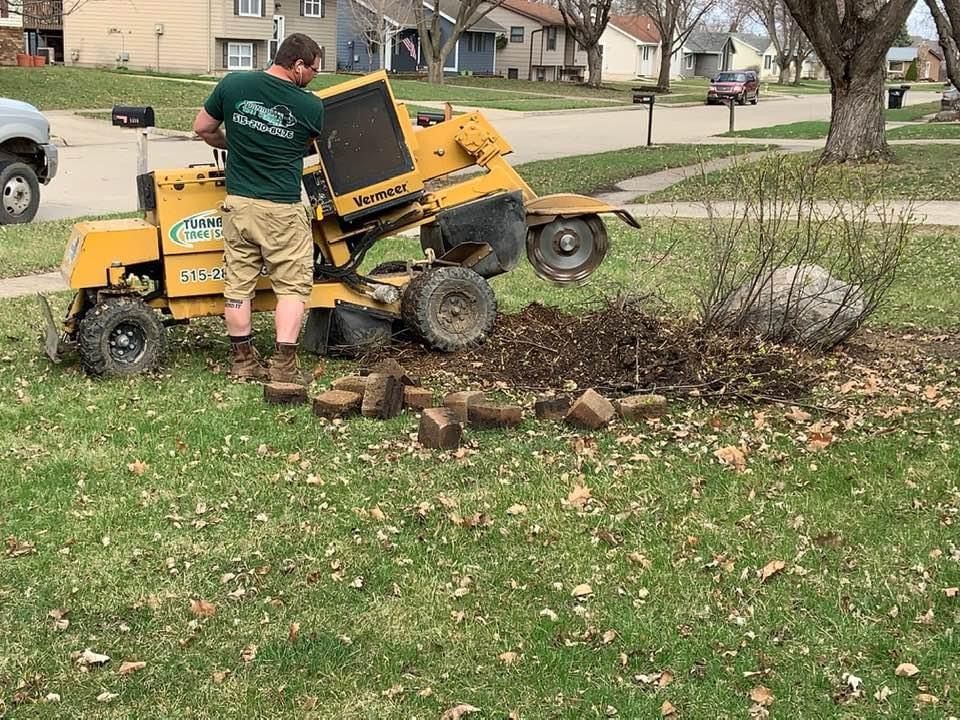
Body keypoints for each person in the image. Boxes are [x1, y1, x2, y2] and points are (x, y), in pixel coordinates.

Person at [193, 33, 324, 384]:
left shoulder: (233, 85)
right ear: (297, 66)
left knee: (238, 286)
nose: (313, 76)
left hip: (238, 205)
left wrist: (233, 142)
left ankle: (243, 362)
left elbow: (202, 127)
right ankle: (283, 366)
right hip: (282, 207)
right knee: (292, 287)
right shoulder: (311, 106)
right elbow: (304, 147)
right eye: (313, 70)